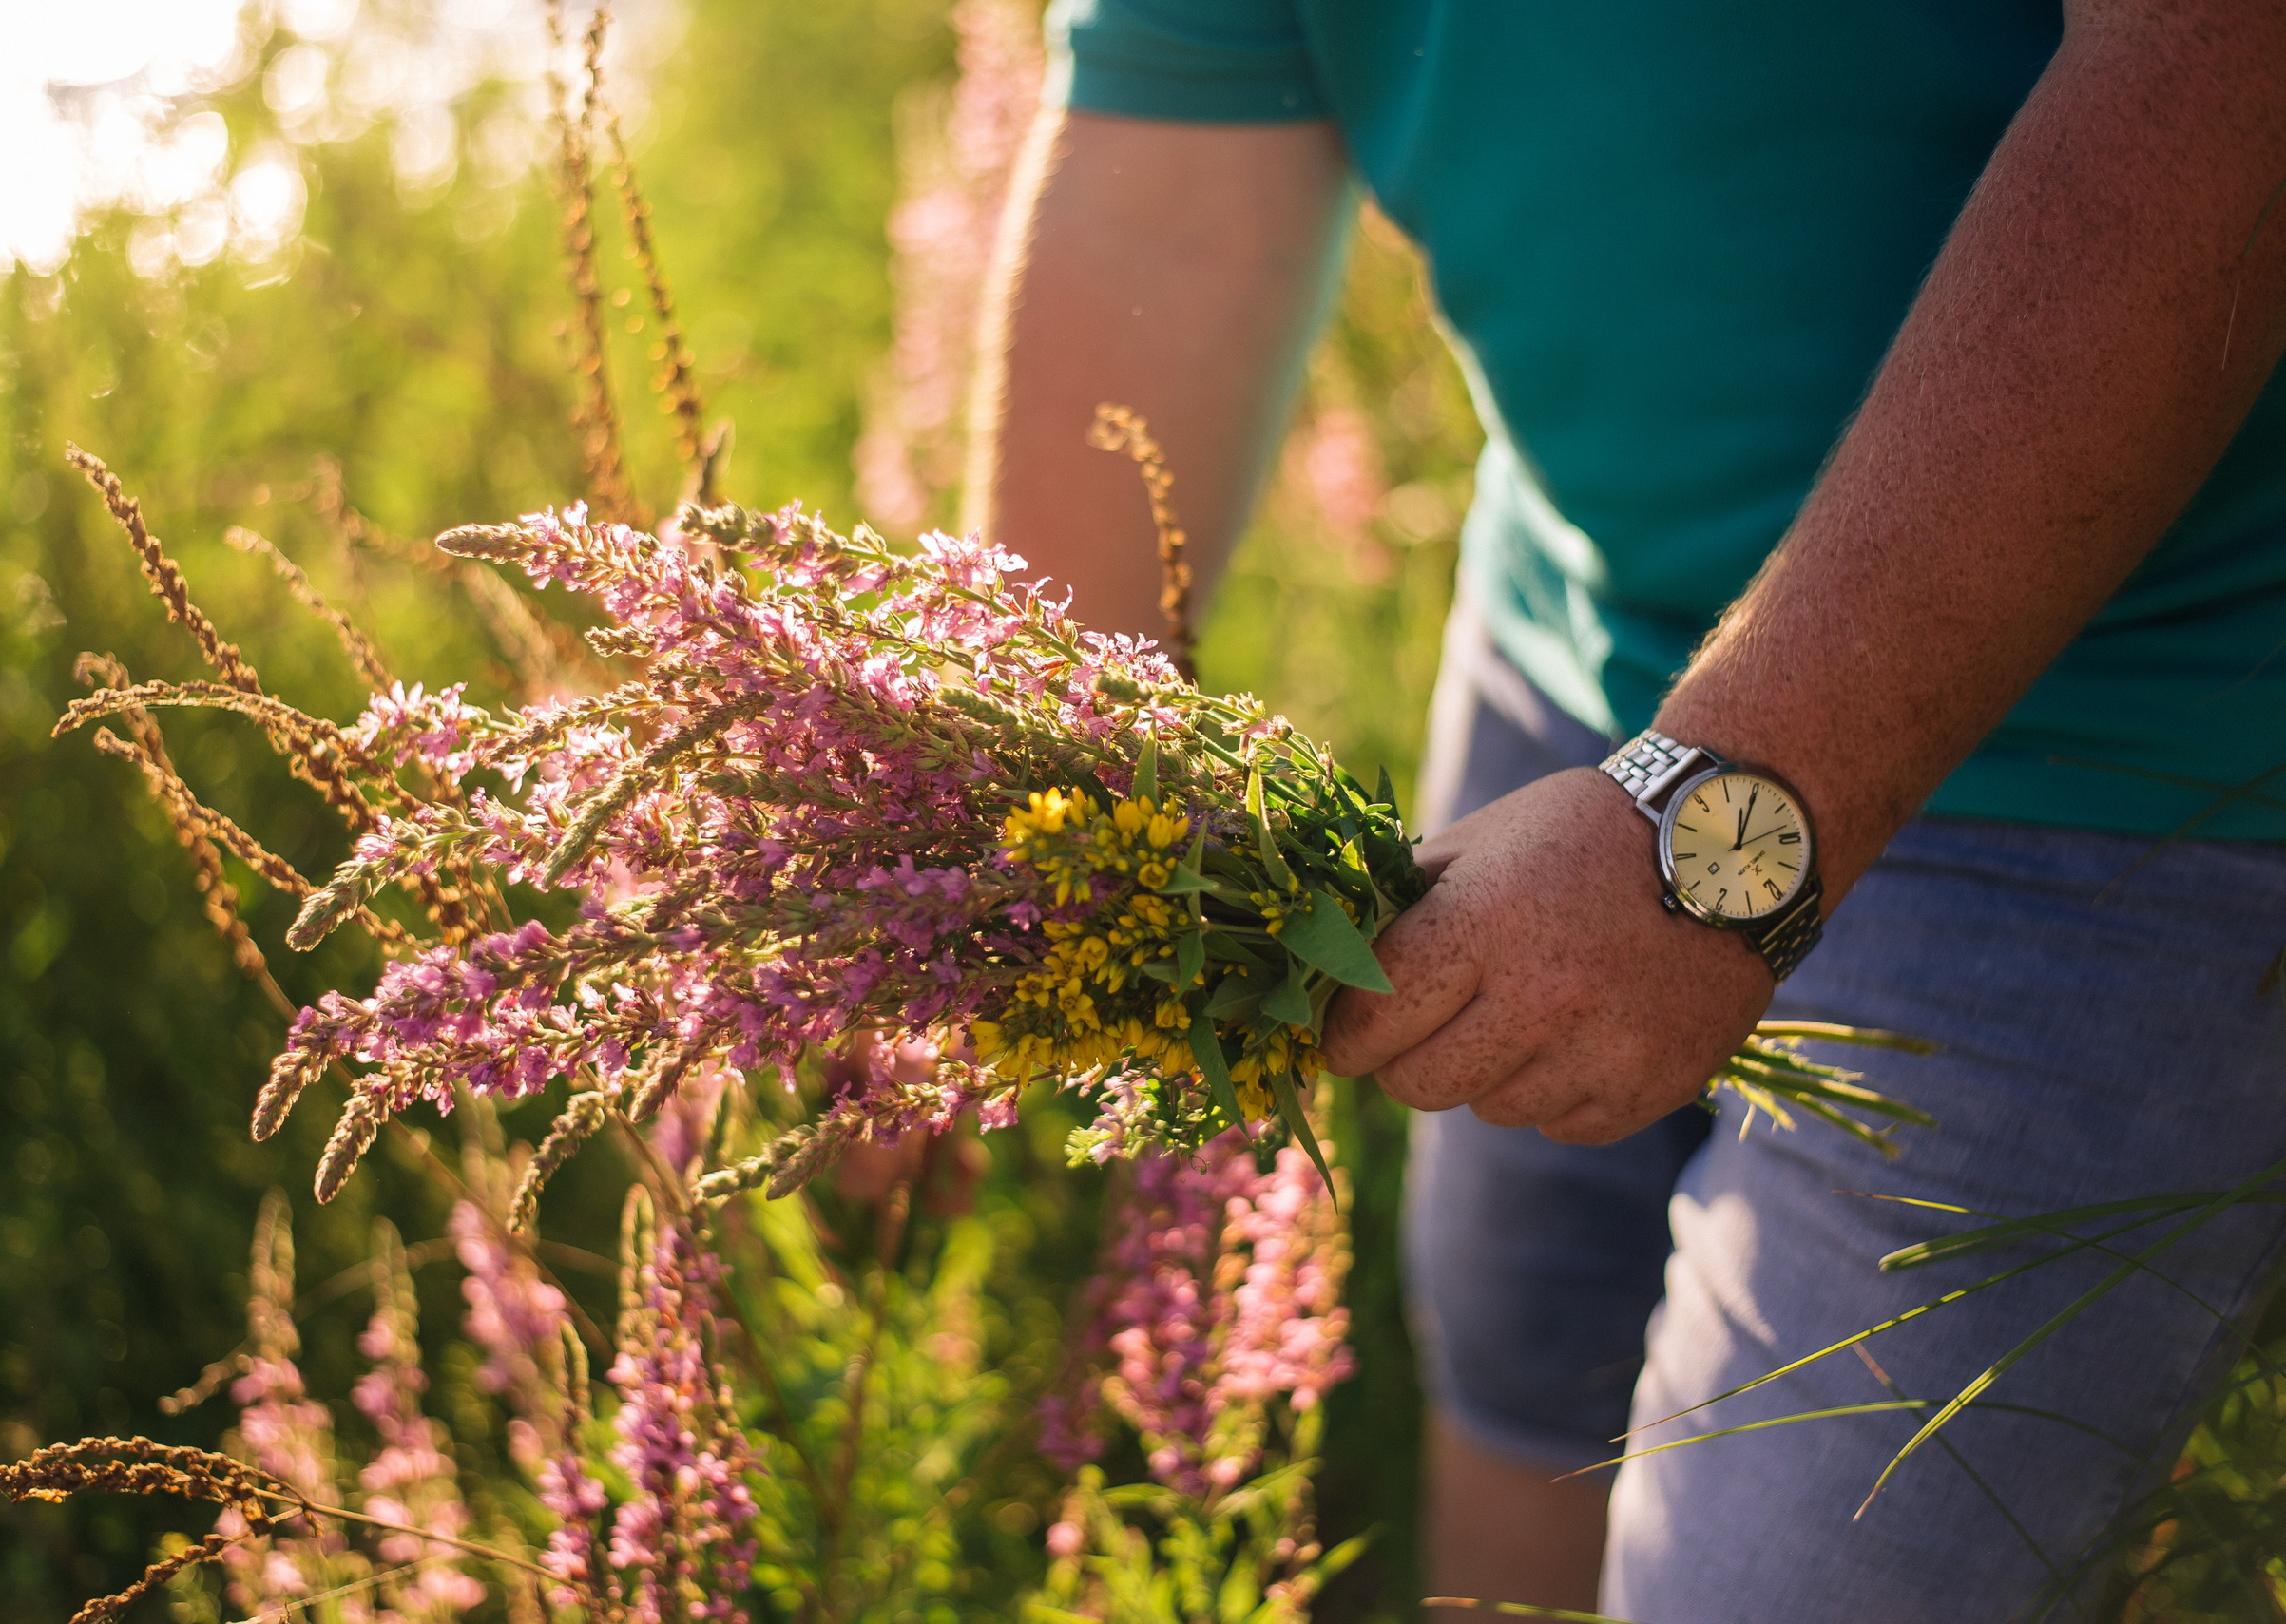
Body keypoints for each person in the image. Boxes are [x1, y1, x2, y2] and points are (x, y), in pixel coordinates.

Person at [963, 3, 2286, 1617]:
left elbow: (2229, 62)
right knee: (1524, 1366)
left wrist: (1729, 807)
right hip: (1576, 635)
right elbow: (1165, 183)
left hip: (2136, 733)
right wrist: (1005, 822)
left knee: (1779, 1580)